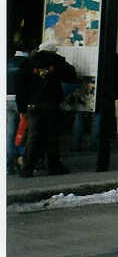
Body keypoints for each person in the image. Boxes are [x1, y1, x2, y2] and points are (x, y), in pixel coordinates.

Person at [15, 42, 77, 177]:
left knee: (33, 137)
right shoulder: (57, 62)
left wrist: (22, 108)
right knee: (52, 137)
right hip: (51, 105)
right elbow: (71, 76)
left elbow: (21, 87)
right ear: (54, 52)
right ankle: (54, 166)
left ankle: (27, 168)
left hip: (33, 106)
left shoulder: (28, 63)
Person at [95, 52, 118, 172]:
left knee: (98, 116)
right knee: (108, 115)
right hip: (111, 92)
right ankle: (101, 140)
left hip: (101, 92)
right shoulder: (116, 58)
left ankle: (93, 142)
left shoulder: (99, 56)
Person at [7, 46, 29, 174]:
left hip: (5, 99)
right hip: (20, 100)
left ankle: (8, 164)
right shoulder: (27, 63)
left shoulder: (8, 62)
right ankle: (22, 160)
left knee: (9, 132)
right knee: (24, 131)